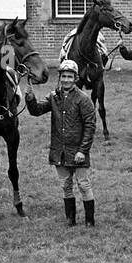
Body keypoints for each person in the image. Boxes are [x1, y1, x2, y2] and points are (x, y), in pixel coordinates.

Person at [25, 59, 98, 227]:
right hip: (60, 150)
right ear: (59, 78)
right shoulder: (54, 97)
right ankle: (70, 219)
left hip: (78, 151)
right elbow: (36, 110)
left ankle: (89, 221)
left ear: (75, 78)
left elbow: (90, 126)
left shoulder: (83, 99)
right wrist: (30, 97)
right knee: (65, 185)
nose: (66, 80)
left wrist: (82, 150)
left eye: (70, 77)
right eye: (63, 76)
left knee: (83, 184)